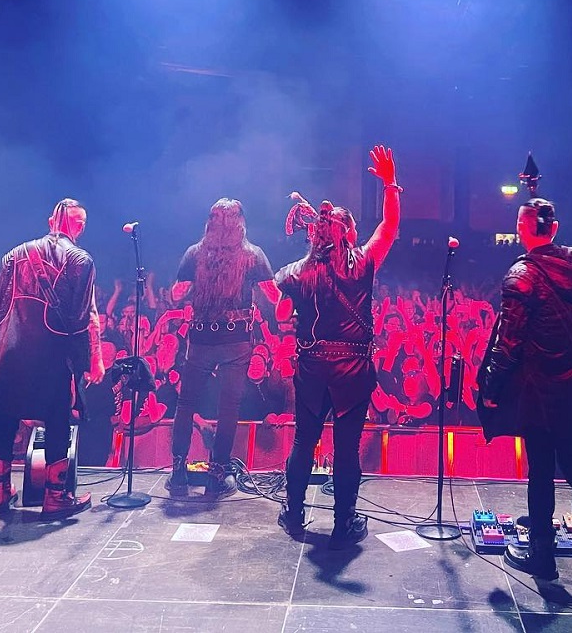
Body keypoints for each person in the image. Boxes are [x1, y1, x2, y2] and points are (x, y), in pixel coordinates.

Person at [478, 198, 572, 585]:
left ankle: (542, 556)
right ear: (554, 228)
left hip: (541, 391)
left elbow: (508, 342)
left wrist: (491, 387)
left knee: (540, 469)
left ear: (521, 229)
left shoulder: (522, 274)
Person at [274, 145, 400, 548]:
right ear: (347, 233)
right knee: (346, 448)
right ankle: (344, 523)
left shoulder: (298, 271)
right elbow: (390, 227)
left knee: (303, 441)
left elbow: (280, 314)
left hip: (312, 369)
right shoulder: (362, 262)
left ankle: (294, 514)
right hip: (352, 371)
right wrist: (390, 184)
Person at [0, 199, 104, 519]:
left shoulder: (14, 254)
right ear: (80, 227)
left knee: (4, 417)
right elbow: (80, 319)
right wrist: (85, 364)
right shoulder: (80, 260)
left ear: (50, 222)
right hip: (51, 354)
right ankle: (55, 497)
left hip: (8, 351)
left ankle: (1, 491)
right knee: (57, 420)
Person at [167, 199, 279, 497]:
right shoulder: (253, 254)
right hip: (235, 340)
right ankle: (217, 474)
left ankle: (178, 472)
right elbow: (273, 295)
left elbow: (177, 294)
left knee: (186, 403)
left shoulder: (195, 253)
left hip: (201, 338)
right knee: (228, 407)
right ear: (240, 222)